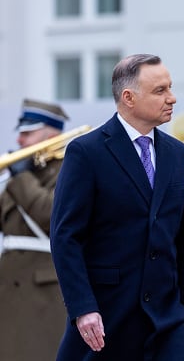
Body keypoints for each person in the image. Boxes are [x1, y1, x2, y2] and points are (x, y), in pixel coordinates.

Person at [50, 53, 184, 360]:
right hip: (107, 318)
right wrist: (83, 308)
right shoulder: (86, 152)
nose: (172, 98)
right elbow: (65, 237)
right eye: (160, 91)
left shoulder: (177, 153)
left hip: (169, 320)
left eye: (170, 87)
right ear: (128, 97)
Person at [0, 99, 69, 360]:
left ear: (50, 134)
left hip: (44, 294)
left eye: (27, 133)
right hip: (9, 288)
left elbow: (53, 218)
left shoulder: (68, 170)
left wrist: (21, 179)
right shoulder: (23, 174)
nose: (19, 140)